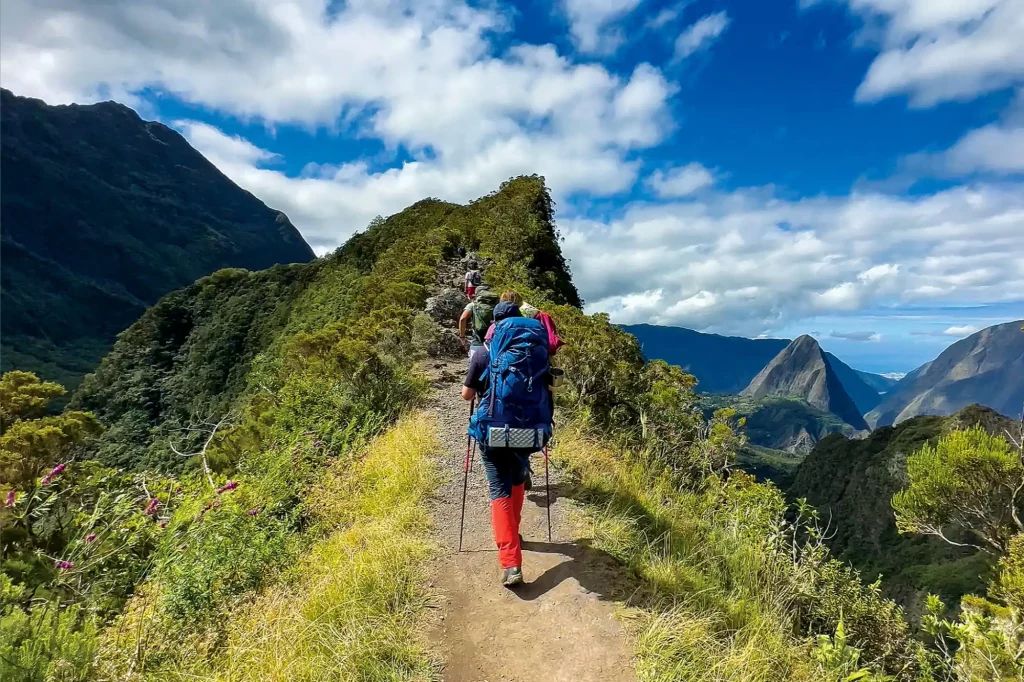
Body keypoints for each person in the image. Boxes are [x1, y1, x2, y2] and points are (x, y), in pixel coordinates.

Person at [463, 301, 554, 587]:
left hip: (495, 432)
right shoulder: (536, 351)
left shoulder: (483, 353)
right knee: (517, 479)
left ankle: (511, 563)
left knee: (498, 488)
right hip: (529, 432)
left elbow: (467, 395)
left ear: (494, 324)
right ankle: (514, 533)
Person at [458, 286, 497, 360]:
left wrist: (462, 336)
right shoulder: (497, 305)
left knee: (476, 367)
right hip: (494, 343)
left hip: (477, 342)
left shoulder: (472, 305)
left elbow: (462, 319)